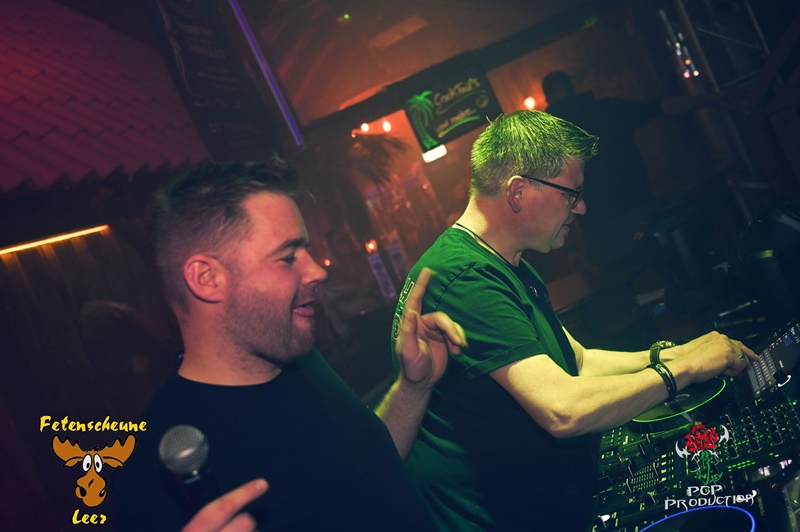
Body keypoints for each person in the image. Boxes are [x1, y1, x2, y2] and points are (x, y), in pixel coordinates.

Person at [391, 110, 757, 531]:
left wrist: (674, 353)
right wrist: (683, 371)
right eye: (572, 193)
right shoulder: (465, 278)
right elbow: (562, 410)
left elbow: (578, 360)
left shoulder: (503, 263)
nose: (581, 207)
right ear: (518, 192)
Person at [111, 157, 467, 531]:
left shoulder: (301, 360)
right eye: (287, 257)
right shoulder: (163, 470)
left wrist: (414, 387)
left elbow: (368, 471)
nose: (318, 271)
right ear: (207, 279)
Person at [541, 70, 717, 264]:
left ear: (548, 99)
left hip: (602, 235)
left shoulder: (549, 141)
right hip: (643, 217)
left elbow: (553, 198)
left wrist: (571, 248)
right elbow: (667, 107)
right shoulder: (609, 111)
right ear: (572, 88)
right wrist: (715, 99)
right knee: (668, 271)